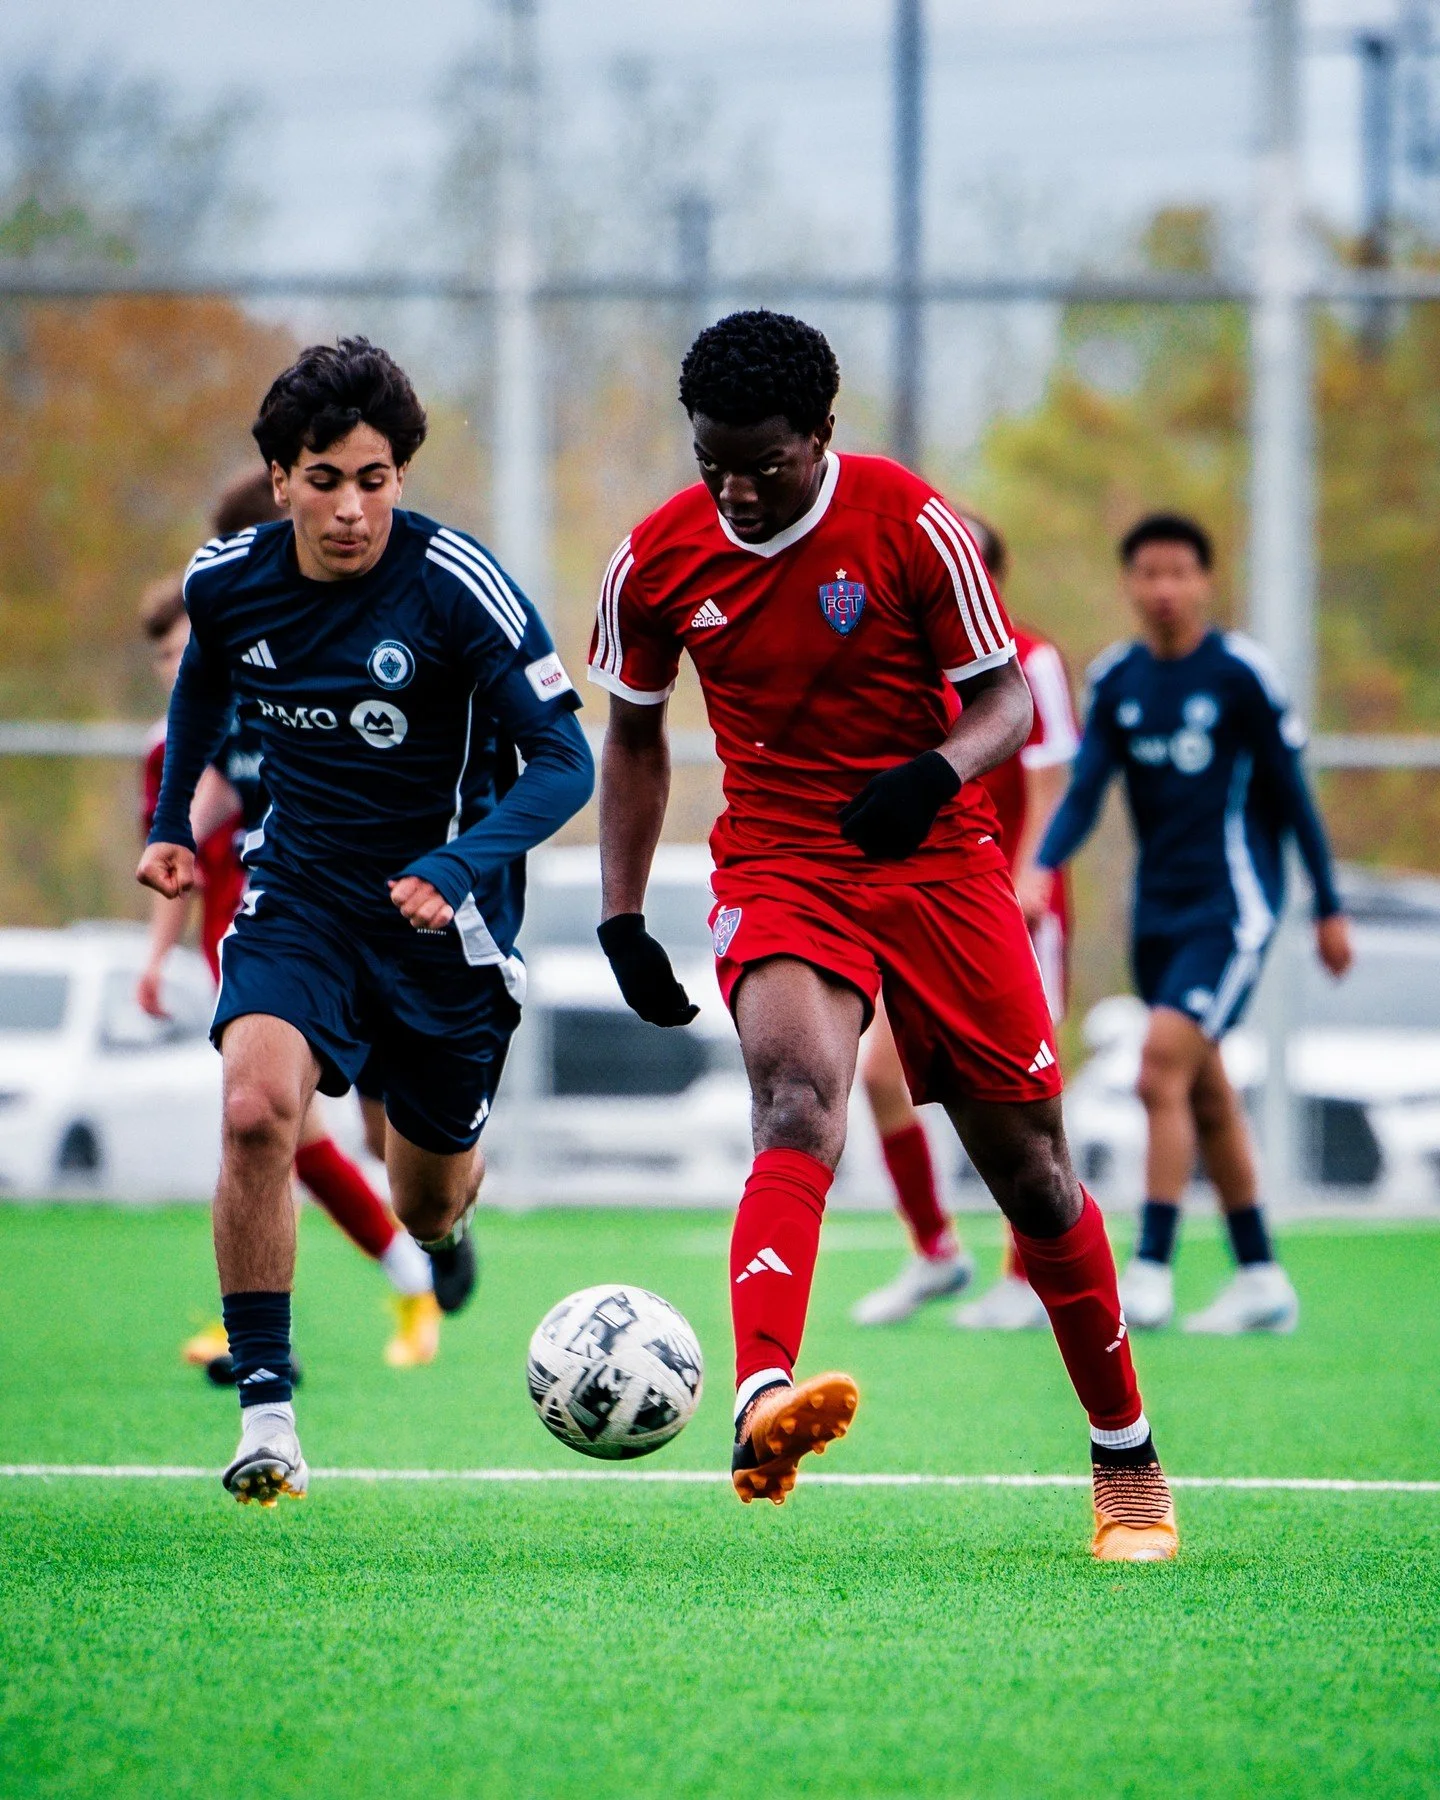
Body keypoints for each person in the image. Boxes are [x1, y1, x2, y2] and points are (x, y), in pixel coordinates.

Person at [590, 309, 1176, 1560]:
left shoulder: (912, 522)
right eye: (713, 463)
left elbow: (1009, 694)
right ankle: (760, 1399)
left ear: (824, 434)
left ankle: (1125, 1456)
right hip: (781, 863)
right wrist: (622, 912)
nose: (737, 491)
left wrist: (937, 770)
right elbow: (633, 735)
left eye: (766, 464)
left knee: (1031, 1173)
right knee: (799, 1102)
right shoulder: (655, 558)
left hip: (938, 866)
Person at [138, 338, 593, 1506]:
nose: (352, 508)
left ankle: (440, 1218)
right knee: (254, 1114)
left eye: (376, 479)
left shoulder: (456, 586)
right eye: (326, 478)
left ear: (402, 476)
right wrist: (172, 820)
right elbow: (202, 685)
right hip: (303, 896)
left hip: (449, 927)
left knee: (425, 1201)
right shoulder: (228, 579)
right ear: (279, 476)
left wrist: (458, 862)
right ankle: (268, 1411)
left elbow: (563, 763)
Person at [137, 479, 445, 1376]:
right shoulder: (193, 732)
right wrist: (154, 953)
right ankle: (288, 1331)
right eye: (163, 656)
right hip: (262, 949)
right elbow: (183, 845)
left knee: (387, 1148)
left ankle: (421, 1255)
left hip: (355, 935)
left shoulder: (317, 677)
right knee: (269, 1127)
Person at [1036, 512, 1353, 1333]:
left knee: (1156, 1071)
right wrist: (1041, 865)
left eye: (1180, 572)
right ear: (1130, 585)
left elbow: (1291, 795)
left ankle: (1149, 1268)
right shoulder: (1116, 680)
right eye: (1149, 574)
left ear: (1205, 581)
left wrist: (1327, 904)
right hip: (1157, 915)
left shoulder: (1241, 673)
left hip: (1233, 909)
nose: (1165, 589)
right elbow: (1084, 792)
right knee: (1203, 1095)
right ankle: (1260, 1276)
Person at [850, 513, 1079, 1332]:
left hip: (1009, 901)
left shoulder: (1032, 657)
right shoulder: (909, 663)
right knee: (878, 1074)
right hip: (918, 901)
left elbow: (1055, 782)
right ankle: (936, 1251)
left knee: (1024, 1091)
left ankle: (1029, 1276)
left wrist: (1034, 873)